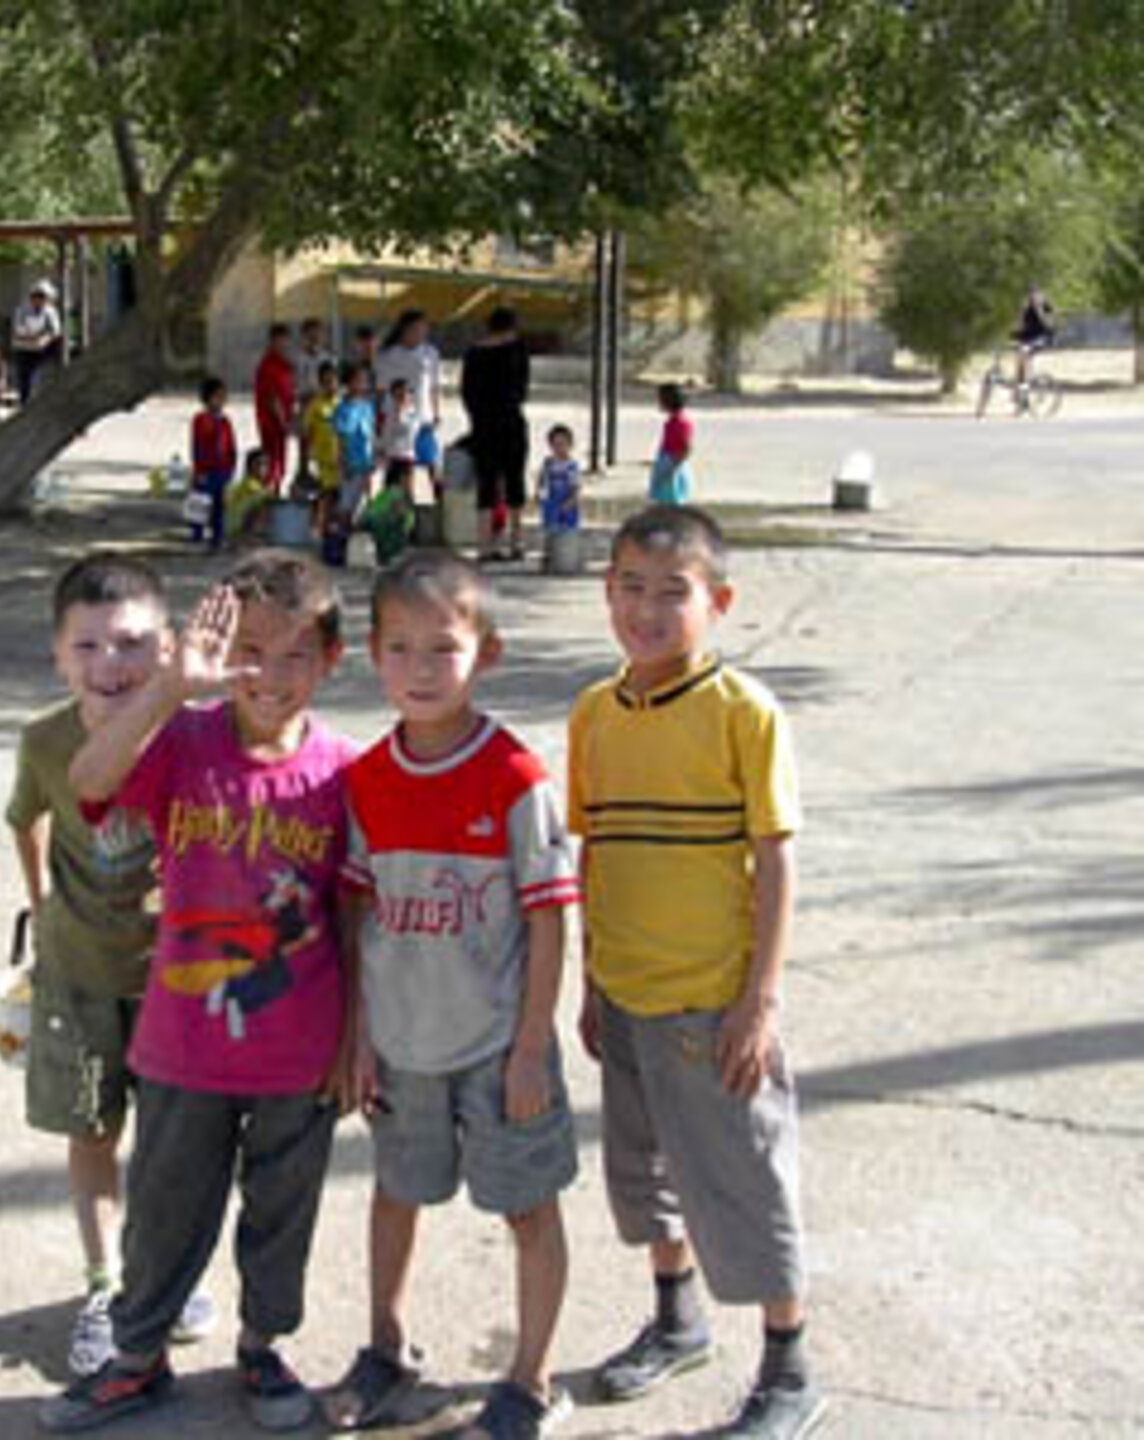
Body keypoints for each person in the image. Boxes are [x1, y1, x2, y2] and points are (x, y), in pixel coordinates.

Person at [41, 553, 359, 1434]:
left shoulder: (343, 772)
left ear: (332, 661)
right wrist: (173, 687)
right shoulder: (182, 742)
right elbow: (90, 779)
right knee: (166, 1207)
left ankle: (263, 1346)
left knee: (282, 1209)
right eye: (251, 650)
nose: (271, 673)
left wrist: (354, 1039)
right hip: (184, 1042)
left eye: (297, 654)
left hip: (301, 1047)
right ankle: (137, 1357)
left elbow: (352, 919)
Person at [570, 506, 823, 1439]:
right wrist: (591, 982)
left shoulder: (743, 713)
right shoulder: (595, 713)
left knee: (744, 1178)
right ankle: (677, 1322)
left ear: (718, 601)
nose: (646, 609)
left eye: (671, 592)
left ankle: (789, 1368)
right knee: (645, 1177)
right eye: (629, 587)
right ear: (606, 595)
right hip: (626, 994)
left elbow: (777, 860)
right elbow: (594, 854)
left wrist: (758, 1002)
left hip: (712, 1000)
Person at [324, 552, 580, 1439]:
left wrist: (529, 1049)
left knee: (525, 1207)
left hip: (499, 1045)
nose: (422, 671)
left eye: (444, 649)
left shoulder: (515, 777)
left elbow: (550, 921)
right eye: (400, 649)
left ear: (488, 653)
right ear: (372, 653)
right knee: (396, 1191)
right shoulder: (368, 779)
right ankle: (385, 1349)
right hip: (401, 1043)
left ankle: (530, 1381)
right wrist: (359, 1039)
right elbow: (359, 916)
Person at [6, 554, 218, 1377]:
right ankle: (104, 1285)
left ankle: (160, 1279)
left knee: (173, 1147)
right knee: (92, 1130)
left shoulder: (196, 736)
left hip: (176, 983)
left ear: (167, 649)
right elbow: (24, 818)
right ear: (59, 656)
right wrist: (39, 906)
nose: (110, 665)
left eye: (131, 644)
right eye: (87, 647)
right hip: (78, 976)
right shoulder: (44, 741)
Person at [461, 306, 533, 561]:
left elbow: (467, 394)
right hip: (511, 420)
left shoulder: (473, 353)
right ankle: (517, 541)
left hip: (483, 425)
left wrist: (478, 417)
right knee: (515, 481)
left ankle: (485, 545)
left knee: (486, 483)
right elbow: (523, 390)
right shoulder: (518, 350)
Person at [376, 310, 443, 479]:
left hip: (423, 417)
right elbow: (381, 389)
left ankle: (442, 501)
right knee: (401, 468)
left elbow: (434, 386)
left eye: (424, 328)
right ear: (405, 330)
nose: (422, 332)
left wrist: (436, 413)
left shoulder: (431, 353)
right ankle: (397, 504)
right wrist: (379, 418)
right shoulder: (388, 354)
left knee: (432, 463)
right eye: (418, 329)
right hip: (397, 420)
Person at [190, 377, 239, 551]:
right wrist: (199, 470)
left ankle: (217, 538)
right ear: (207, 398)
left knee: (219, 506)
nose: (222, 400)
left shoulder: (225, 421)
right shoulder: (200, 420)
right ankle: (197, 536)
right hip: (205, 470)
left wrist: (232, 467)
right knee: (200, 505)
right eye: (218, 396)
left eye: (223, 396)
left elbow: (232, 445)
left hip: (222, 469)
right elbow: (198, 446)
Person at [332, 361, 379, 527]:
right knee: (347, 501)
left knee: (363, 499)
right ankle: (340, 533)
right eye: (359, 380)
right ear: (349, 383)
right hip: (350, 462)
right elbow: (341, 437)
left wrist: (374, 456)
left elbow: (371, 434)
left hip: (365, 461)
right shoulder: (343, 409)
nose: (363, 383)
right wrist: (343, 461)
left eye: (365, 380)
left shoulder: (368, 407)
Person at [254, 323, 299, 489]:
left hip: (283, 422)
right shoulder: (267, 365)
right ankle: (268, 495)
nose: (284, 344)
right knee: (272, 463)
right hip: (270, 423)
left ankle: (277, 492)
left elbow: (291, 393)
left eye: (286, 340)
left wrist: (291, 417)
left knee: (281, 462)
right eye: (279, 340)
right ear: (272, 341)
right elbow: (272, 398)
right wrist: (283, 421)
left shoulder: (285, 365)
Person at [303, 361, 343, 541]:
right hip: (323, 460)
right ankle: (320, 529)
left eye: (333, 381)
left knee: (340, 497)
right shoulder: (315, 406)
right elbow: (307, 434)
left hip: (341, 460)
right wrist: (306, 460)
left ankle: (335, 530)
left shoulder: (342, 404)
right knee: (326, 495)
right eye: (326, 382)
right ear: (320, 383)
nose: (330, 386)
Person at [291, 319, 333, 480]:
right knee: (304, 444)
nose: (314, 337)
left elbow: (332, 381)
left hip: (323, 405)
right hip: (306, 405)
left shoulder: (328, 357)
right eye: (310, 334)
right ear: (304, 336)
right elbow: (295, 384)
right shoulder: (299, 359)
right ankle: (303, 475)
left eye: (318, 333)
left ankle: (325, 476)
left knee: (324, 442)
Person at [13, 280, 65, 403]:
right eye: (37, 297)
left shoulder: (50, 311)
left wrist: (45, 338)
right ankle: (25, 401)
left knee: (37, 375)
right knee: (25, 377)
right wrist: (32, 337)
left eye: (43, 298)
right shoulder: (21, 310)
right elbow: (19, 331)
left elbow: (56, 331)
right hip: (24, 348)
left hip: (42, 348)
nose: (40, 301)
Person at [649, 384, 694, 506]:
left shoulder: (679, 423)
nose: (658, 403)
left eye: (660, 400)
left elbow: (686, 449)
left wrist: (671, 468)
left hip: (672, 466)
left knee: (670, 501)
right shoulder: (672, 422)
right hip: (668, 462)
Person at [536, 424, 583, 540]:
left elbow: (576, 487)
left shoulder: (571, 466)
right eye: (556, 445)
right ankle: (550, 551)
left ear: (570, 445)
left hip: (568, 505)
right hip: (552, 504)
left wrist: (571, 502)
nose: (559, 448)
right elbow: (541, 480)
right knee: (550, 531)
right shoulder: (548, 463)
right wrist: (538, 494)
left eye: (563, 444)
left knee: (566, 533)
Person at [1012, 286, 1057, 389]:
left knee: (1024, 353)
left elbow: (1049, 325)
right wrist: (1022, 312)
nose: (1035, 297)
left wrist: (1039, 310)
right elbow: (1020, 325)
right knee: (1018, 359)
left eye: (1037, 294)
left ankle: (1024, 387)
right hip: (1028, 338)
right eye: (1032, 295)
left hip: (1042, 338)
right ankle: (1020, 386)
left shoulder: (1046, 307)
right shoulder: (1027, 308)